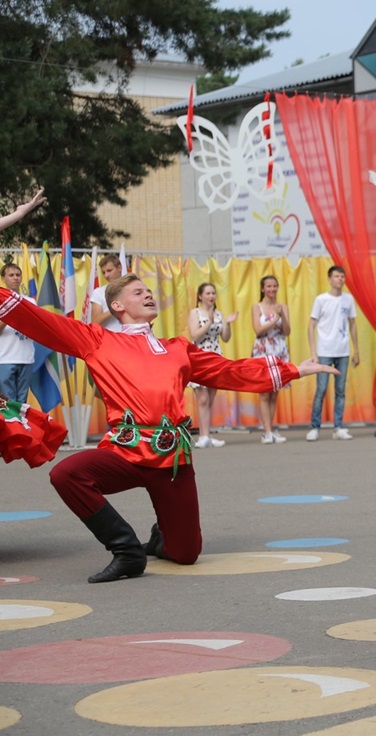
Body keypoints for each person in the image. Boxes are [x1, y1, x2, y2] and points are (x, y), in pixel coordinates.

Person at [0, 274, 336, 582]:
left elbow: (229, 371)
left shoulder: (178, 349)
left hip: (171, 460)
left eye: (149, 291)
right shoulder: (96, 340)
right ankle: (126, 550)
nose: (148, 295)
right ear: (117, 305)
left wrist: (293, 369)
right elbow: (35, 319)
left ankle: (162, 535)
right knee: (66, 474)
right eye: (138, 292)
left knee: (186, 554)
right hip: (124, 453)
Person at [0, 187, 65, 468]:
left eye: (18, 274)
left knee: (14, 403)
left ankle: (21, 441)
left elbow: (6, 220)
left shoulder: (21, 298)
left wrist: (23, 210)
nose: (15, 277)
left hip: (22, 357)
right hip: (6, 357)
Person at [307, 265, 359, 442]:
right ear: (329, 279)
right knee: (321, 389)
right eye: (337, 276)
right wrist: (314, 352)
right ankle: (315, 427)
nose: (340, 279)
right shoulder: (321, 300)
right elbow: (311, 325)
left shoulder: (348, 299)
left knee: (340, 391)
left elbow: (353, 324)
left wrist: (356, 350)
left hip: (343, 351)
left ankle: (338, 427)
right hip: (324, 351)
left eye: (342, 277)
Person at [186, 283, 237, 448]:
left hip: (215, 356)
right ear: (200, 296)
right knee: (201, 398)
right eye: (208, 293)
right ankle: (203, 436)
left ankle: (208, 433)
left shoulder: (218, 313)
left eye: (213, 293)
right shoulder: (195, 313)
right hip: (199, 357)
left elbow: (226, 337)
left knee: (210, 399)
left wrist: (227, 324)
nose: (211, 296)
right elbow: (195, 335)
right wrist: (208, 322)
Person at [251, 275, 291, 443]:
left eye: (275, 286)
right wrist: (275, 319)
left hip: (279, 349)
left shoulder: (283, 307)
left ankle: (271, 429)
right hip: (263, 350)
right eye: (268, 286)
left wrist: (283, 317)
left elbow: (287, 331)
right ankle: (266, 431)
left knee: (274, 393)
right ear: (262, 289)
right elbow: (258, 330)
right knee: (264, 393)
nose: (272, 289)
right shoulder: (257, 307)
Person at [0, 264, 36, 403]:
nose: (15, 278)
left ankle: (20, 425)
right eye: (11, 275)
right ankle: (7, 426)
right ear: (3, 278)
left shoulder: (30, 301)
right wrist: (11, 315)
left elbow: (36, 329)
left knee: (22, 405)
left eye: (18, 275)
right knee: (7, 404)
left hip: (26, 357)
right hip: (4, 359)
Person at [88, 254, 125, 332]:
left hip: (130, 337)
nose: (106, 275)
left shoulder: (133, 289)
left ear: (119, 268)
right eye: (103, 272)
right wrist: (114, 309)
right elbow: (95, 321)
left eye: (109, 270)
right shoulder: (98, 292)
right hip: (109, 338)